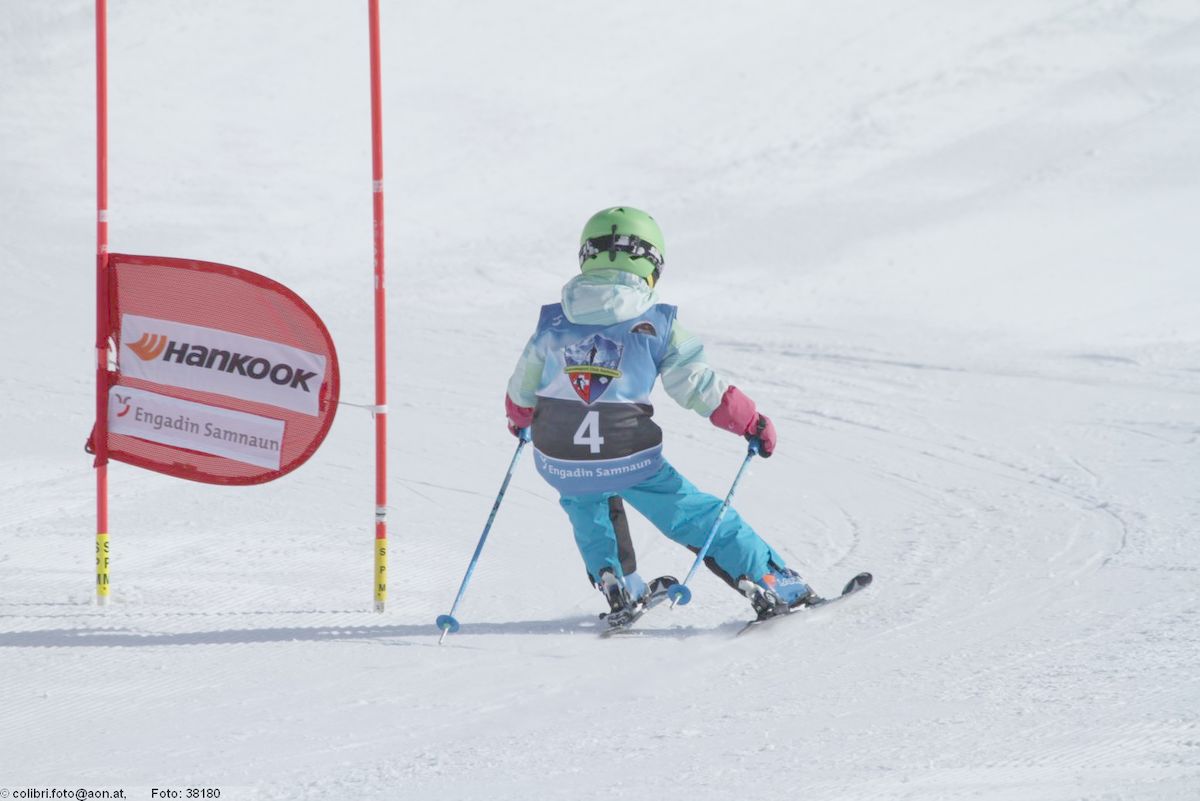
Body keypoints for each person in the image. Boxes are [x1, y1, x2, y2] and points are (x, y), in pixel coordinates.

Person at [504, 206, 818, 623]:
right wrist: (751, 422)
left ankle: (615, 581)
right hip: (626, 452)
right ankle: (769, 580)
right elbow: (698, 386)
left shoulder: (553, 321)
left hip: (557, 453)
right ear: (651, 264)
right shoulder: (658, 322)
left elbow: (521, 388)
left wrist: (521, 420)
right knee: (690, 513)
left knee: (587, 502)